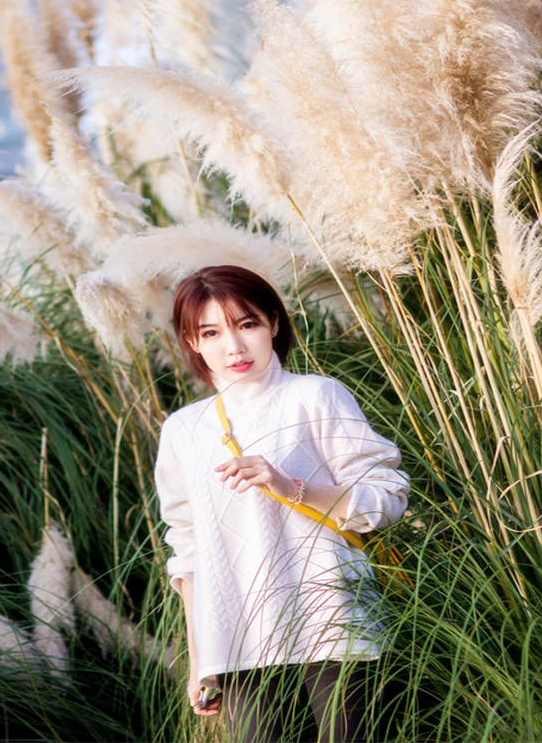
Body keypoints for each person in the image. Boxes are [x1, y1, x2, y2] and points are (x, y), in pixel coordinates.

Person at [154, 265, 409, 743]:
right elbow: (189, 555)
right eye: (211, 332)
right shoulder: (183, 430)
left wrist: (288, 484)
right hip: (240, 634)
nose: (233, 346)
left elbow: (386, 498)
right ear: (192, 342)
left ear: (273, 322)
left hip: (332, 615)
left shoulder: (316, 396)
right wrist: (200, 659)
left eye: (246, 324)